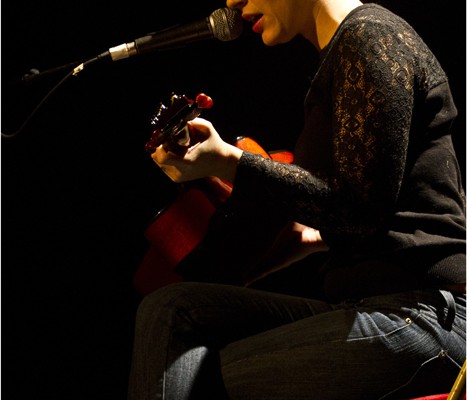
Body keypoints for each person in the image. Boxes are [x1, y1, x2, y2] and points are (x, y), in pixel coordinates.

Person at [127, 0, 466, 399]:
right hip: (373, 305)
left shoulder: (371, 35)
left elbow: (359, 210)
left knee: (199, 381)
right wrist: (311, 239)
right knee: (172, 309)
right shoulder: (343, 53)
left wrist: (230, 162)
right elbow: (391, 199)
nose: (233, 3)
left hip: (424, 316)